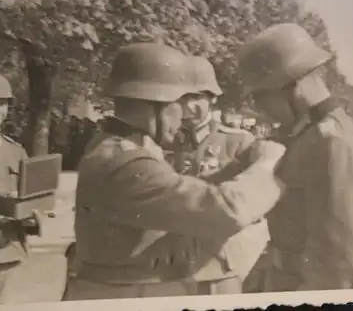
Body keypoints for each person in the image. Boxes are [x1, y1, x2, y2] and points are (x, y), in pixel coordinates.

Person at [64, 43, 286, 300]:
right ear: (158, 104)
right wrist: (266, 164)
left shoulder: (113, 149)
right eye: (180, 104)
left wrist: (237, 167)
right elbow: (223, 210)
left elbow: (177, 190)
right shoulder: (128, 164)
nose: (183, 116)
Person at [237, 23, 353, 291]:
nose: (259, 108)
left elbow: (339, 264)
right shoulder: (307, 135)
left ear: (289, 85)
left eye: (259, 96)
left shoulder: (330, 142)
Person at [170, 56, 269, 294]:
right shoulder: (165, 142)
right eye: (182, 98)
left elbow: (255, 208)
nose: (187, 107)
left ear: (212, 99)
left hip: (222, 264)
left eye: (196, 98)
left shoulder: (239, 141)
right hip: (175, 261)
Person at [0, 74, 30, 302]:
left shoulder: (16, 152)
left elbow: (31, 199)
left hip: (8, 253)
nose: (0, 110)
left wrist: (33, 216)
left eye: (3, 104)